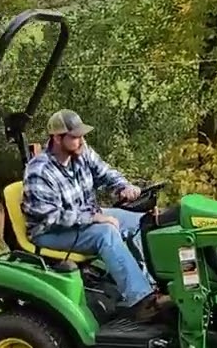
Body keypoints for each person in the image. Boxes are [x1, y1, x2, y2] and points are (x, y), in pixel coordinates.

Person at [21, 109, 173, 321]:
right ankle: (141, 302)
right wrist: (93, 218)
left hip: (85, 217)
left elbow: (105, 172)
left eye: (82, 135)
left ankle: (153, 286)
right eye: (75, 136)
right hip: (50, 231)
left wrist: (124, 186)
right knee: (105, 233)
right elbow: (51, 216)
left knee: (142, 221)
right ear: (57, 138)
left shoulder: (81, 153)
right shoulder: (39, 171)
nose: (82, 140)